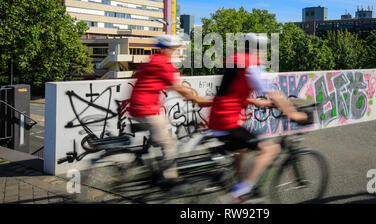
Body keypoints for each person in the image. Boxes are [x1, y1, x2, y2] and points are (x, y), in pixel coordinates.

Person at [207, 33, 308, 203]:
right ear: (258, 49)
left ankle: (239, 186)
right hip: (227, 121)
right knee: (271, 149)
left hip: (218, 117)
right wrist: (292, 113)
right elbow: (273, 93)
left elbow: (230, 91)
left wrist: (257, 102)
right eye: (265, 50)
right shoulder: (251, 66)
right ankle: (239, 193)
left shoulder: (236, 61)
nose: (266, 54)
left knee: (242, 150)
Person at [128, 34, 212, 184]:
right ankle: (170, 179)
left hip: (139, 107)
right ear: (166, 49)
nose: (174, 52)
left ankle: (156, 163)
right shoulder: (163, 64)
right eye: (173, 49)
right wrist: (199, 100)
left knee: (165, 127)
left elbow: (175, 84)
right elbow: (178, 87)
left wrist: (191, 93)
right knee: (169, 143)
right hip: (146, 109)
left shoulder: (153, 60)